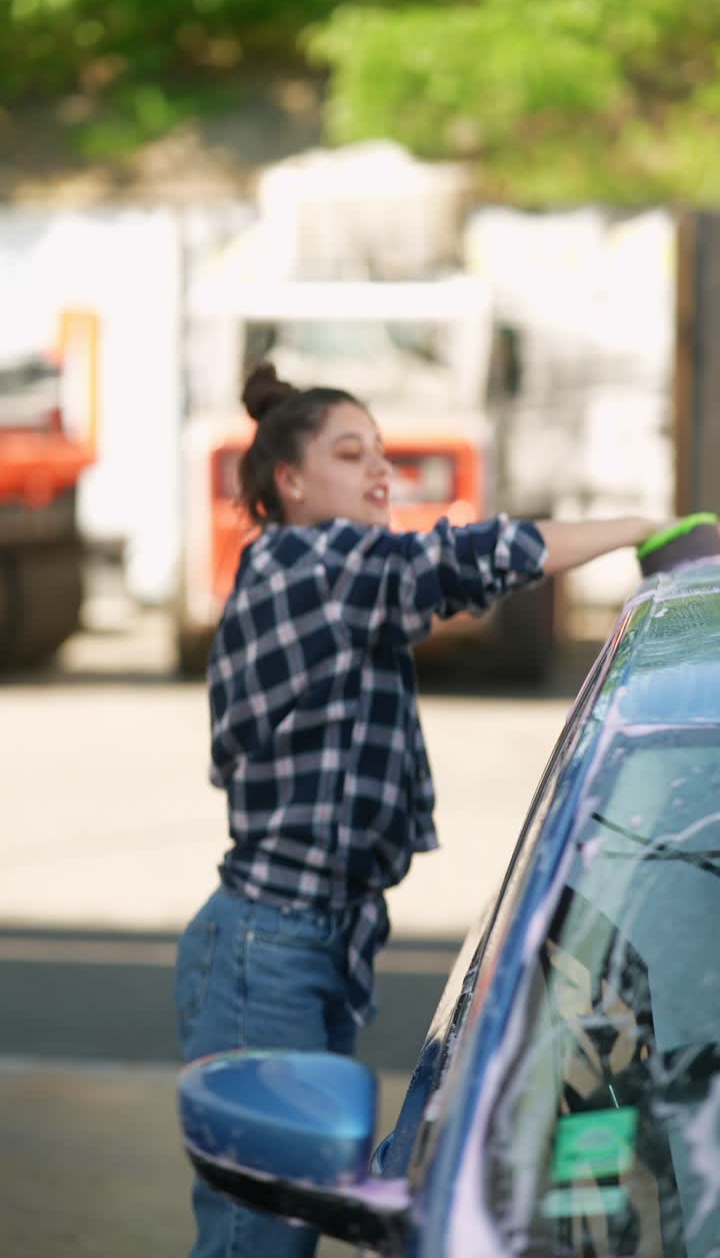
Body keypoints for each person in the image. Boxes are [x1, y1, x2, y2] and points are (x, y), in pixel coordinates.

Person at [175, 361, 672, 1258]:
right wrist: (638, 530)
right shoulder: (301, 564)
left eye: (383, 453)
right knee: (260, 1240)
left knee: (303, 1218)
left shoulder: (344, 584)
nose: (380, 472)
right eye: (349, 451)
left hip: (314, 939)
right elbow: (457, 562)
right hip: (268, 946)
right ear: (289, 482)